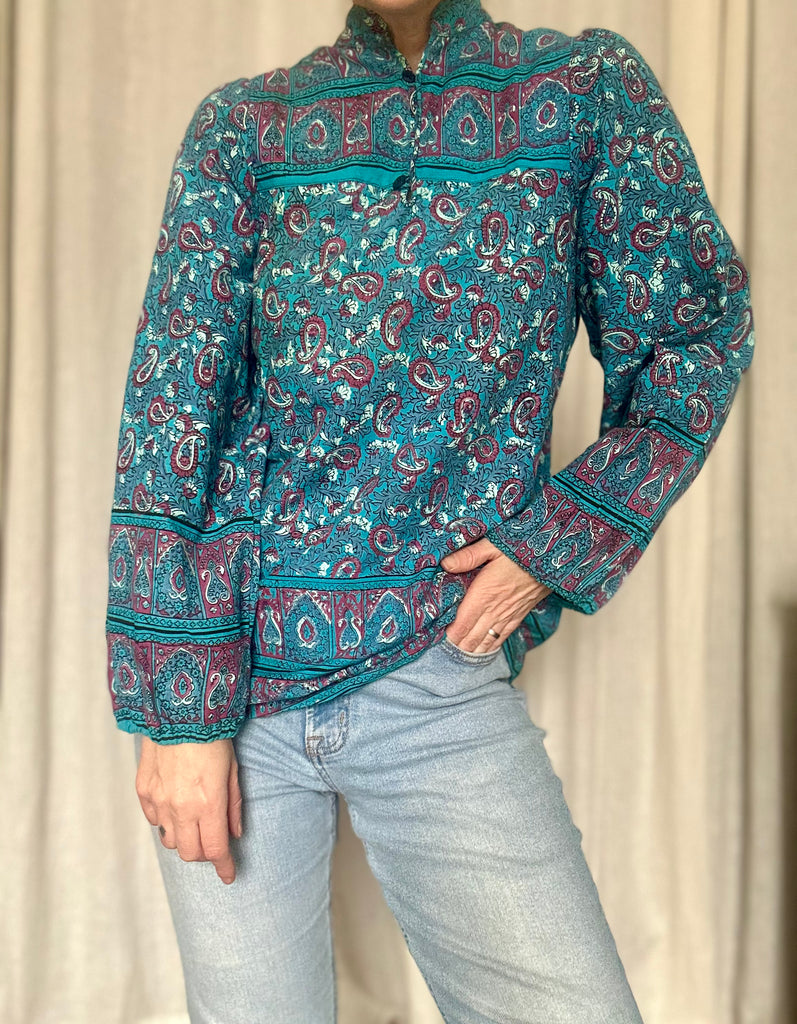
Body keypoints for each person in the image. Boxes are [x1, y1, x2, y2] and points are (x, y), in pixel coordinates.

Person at [105, 0, 755, 1020]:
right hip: (230, 694)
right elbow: (173, 419)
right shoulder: (245, 129)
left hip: (436, 676)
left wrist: (557, 541)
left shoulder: (580, 92)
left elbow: (694, 336)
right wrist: (177, 716)